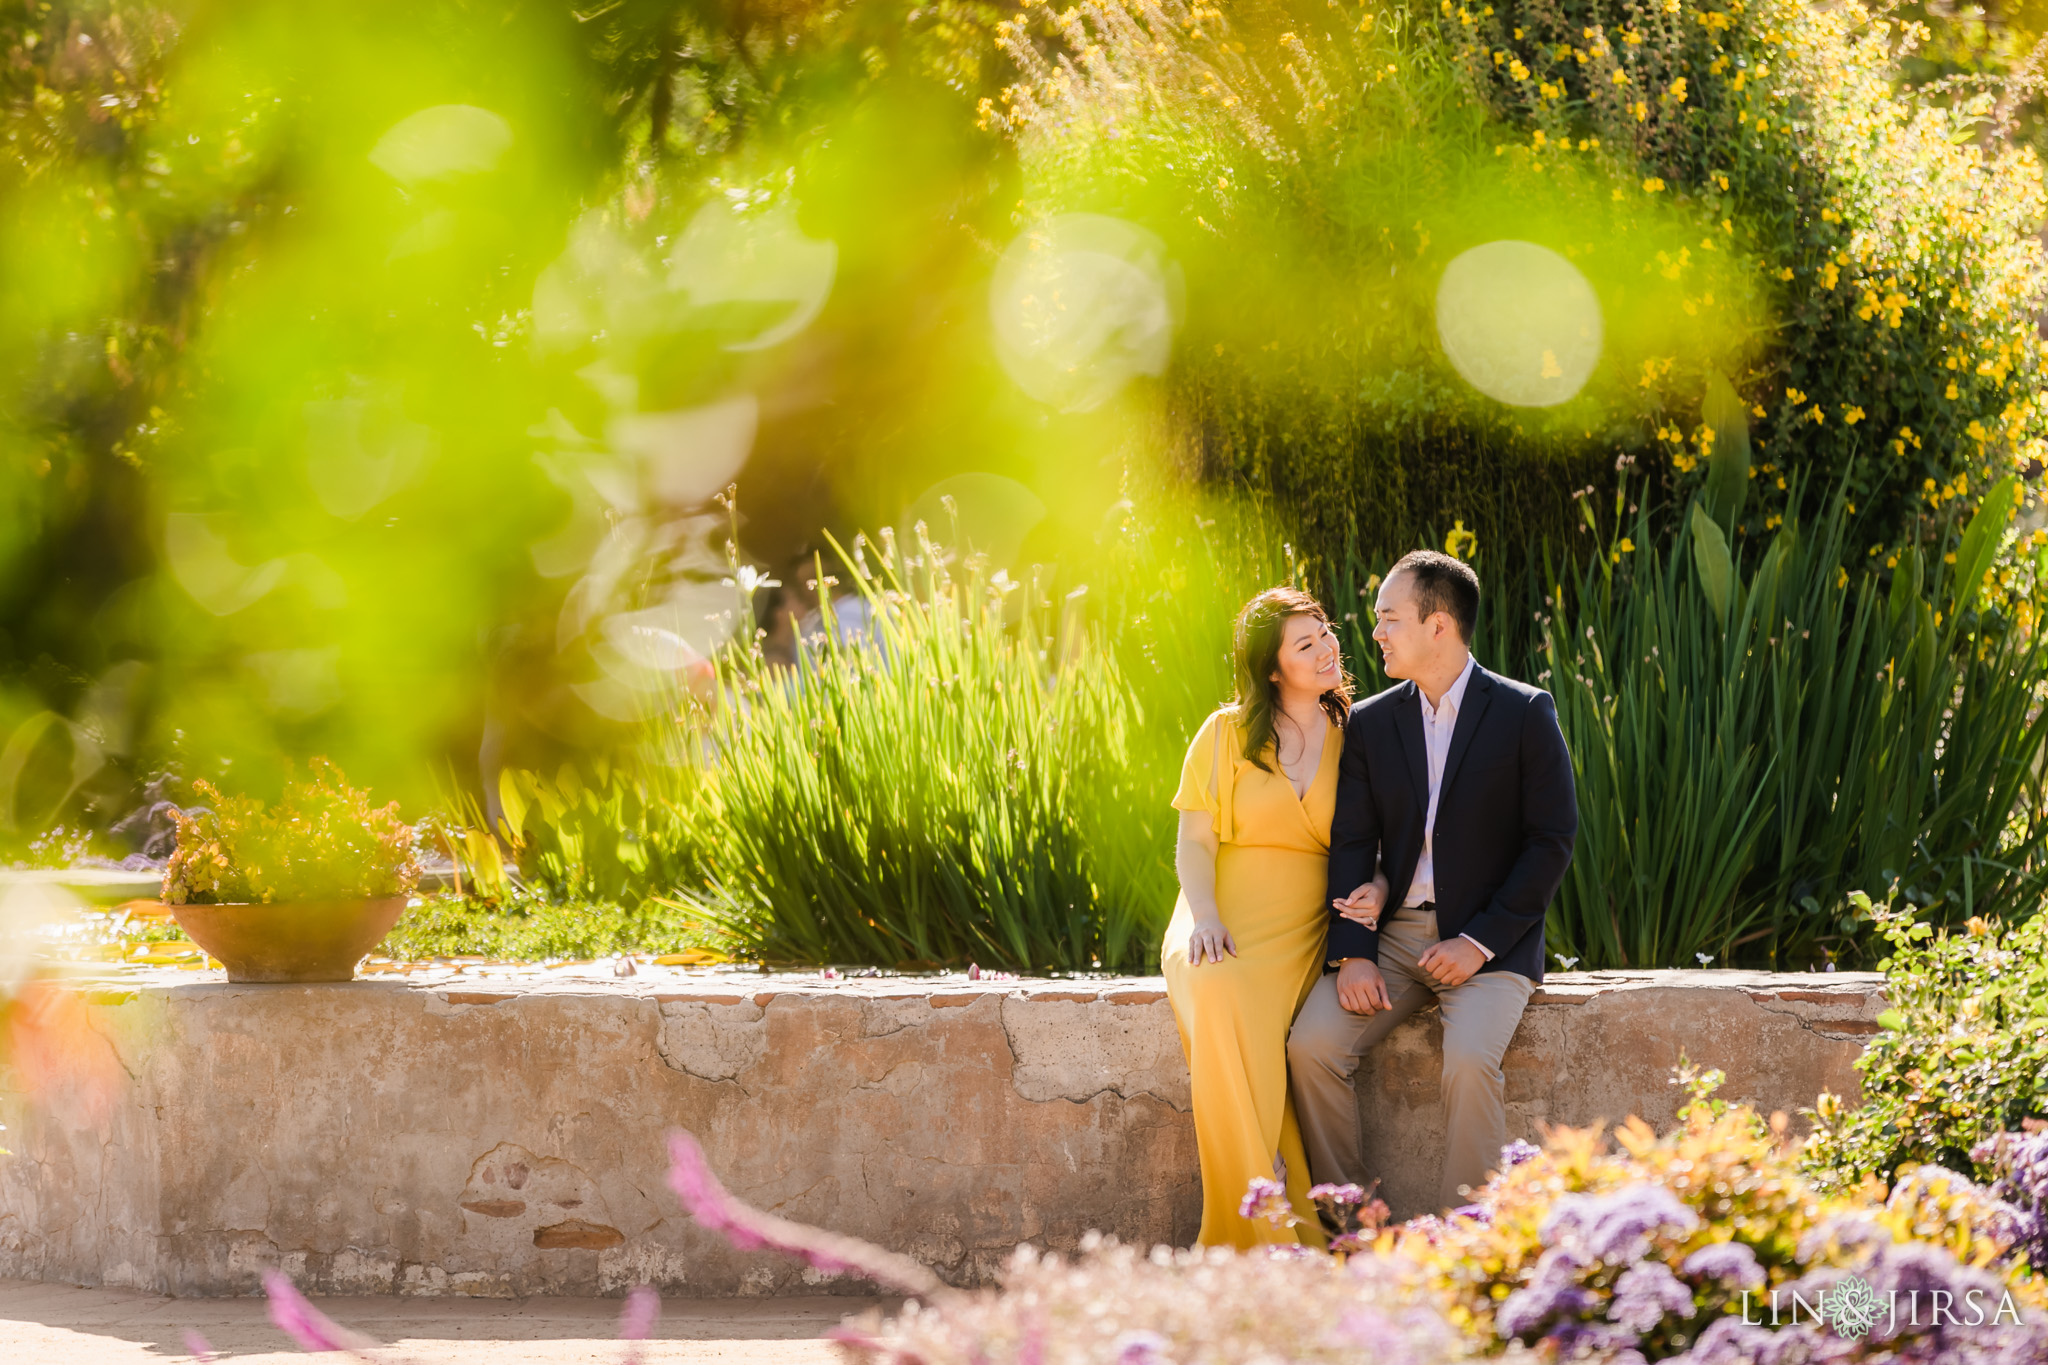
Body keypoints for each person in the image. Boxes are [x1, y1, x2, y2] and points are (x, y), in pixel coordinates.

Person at [1286, 550, 1576, 1214]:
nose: (1376, 631)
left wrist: (1478, 941)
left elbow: (1551, 840)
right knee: (1311, 1047)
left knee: (1471, 1061)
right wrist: (1353, 951)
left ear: (1438, 625)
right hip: (1392, 937)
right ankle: (1356, 1225)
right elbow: (1354, 840)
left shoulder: (1525, 712)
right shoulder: (1372, 722)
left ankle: (1466, 1241)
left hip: (1490, 940)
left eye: (1389, 617)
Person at [1162, 586, 1388, 1248]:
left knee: (1252, 1024)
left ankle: (1263, 1221)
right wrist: (1203, 916)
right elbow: (1194, 842)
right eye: (1305, 643)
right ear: (1271, 667)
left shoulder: (1358, 735)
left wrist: (1374, 887)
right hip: (1218, 910)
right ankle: (1255, 1226)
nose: (1326, 649)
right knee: (1215, 983)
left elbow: (1384, 846)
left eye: (1326, 633)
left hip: (1302, 925)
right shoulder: (1225, 731)